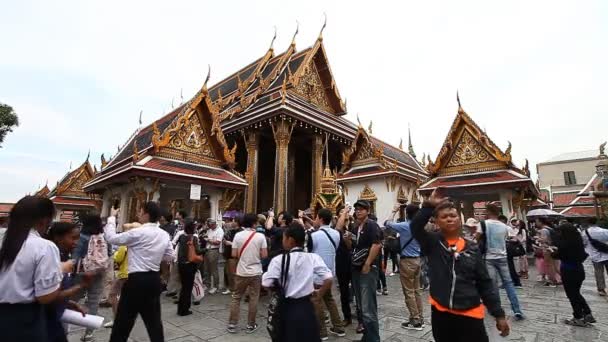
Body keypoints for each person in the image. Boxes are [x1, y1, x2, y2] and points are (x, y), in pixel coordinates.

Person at [412, 189, 509, 341]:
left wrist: (499, 314)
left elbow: (485, 283)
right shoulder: (433, 243)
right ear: (436, 222)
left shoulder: (472, 247)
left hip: (470, 313)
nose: (449, 219)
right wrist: (428, 206)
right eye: (444, 217)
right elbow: (415, 227)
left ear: (460, 219)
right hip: (441, 314)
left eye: (453, 215)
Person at [104, 202, 174, 342]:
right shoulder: (164, 235)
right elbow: (170, 256)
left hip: (137, 280)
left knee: (123, 322)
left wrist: (112, 219)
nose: (138, 214)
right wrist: (154, 256)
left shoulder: (138, 232)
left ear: (146, 214)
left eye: (140, 211)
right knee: (154, 322)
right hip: (154, 279)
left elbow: (111, 238)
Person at [0, 196, 63, 342]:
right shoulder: (44, 247)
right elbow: (45, 296)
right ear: (44, 220)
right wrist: (61, 272)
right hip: (23, 321)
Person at [262, 223, 334, 342]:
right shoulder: (313, 257)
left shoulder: (279, 260)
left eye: (284, 238)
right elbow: (328, 278)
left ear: (290, 240)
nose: (283, 241)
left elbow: (266, 283)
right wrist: (320, 293)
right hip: (306, 306)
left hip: (286, 306)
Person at [477, 204, 524, 320]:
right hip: (503, 257)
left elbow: (476, 239)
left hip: (489, 258)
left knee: (493, 286)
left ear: (488, 212)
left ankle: (497, 309)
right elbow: (514, 238)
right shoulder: (504, 226)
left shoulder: (483, 224)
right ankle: (517, 310)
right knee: (509, 284)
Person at [46, 222, 91, 342]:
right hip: (47, 322)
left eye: (78, 238)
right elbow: (52, 296)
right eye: (73, 238)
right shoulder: (52, 260)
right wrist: (81, 286)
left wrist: (70, 303)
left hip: (54, 318)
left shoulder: (64, 256)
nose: (76, 243)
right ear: (58, 237)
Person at [345, 200, 382, 342]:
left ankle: (373, 339)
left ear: (368, 211)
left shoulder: (371, 225)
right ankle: (367, 336)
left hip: (367, 269)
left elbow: (377, 244)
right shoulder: (356, 228)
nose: (358, 211)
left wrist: (367, 263)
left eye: (361, 209)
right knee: (361, 304)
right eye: (356, 209)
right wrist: (347, 239)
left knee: (368, 307)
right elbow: (352, 247)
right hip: (356, 268)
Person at [384, 203, 424, 330]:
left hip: (407, 262)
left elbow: (387, 223)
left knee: (409, 292)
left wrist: (394, 210)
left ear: (407, 214)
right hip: (418, 260)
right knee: (417, 291)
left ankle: (416, 320)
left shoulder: (405, 225)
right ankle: (419, 318)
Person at [308, 208, 346, 339]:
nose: (315, 220)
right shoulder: (336, 234)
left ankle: (321, 332)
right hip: (330, 272)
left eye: (317, 218)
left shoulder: (314, 236)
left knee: (316, 300)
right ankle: (339, 327)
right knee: (329, 299)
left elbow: (309, 253)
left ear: (321, 219)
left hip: (317, 274)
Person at [227, 213, 268, 334]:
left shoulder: (238, 236)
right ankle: (250, 325)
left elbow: (234, 254)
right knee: (254, 298)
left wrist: (243, 255)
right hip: (255, 272)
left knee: (236, 297)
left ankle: (232, 324)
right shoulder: (260, 236)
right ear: (255, 223)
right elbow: (264, 255)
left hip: (241, 271)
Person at [72, 212, 109, 342]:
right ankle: (89, 333)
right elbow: (108, 255)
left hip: (82, 273)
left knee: (71, 300)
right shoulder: (103, 237)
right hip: (98, 273)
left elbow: (75, 257)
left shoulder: (81, 237)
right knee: (93, 302)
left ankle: (62, 325)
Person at [554, 223, 595, 326]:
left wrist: (552, 251)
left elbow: (557, 255)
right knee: (576, 293)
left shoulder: (564, 244)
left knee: (572, 295)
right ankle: (587, 313)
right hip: (579, 270)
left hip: (568, 272)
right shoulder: (578, 242)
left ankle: (578, 317)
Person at [103, 223, 131, 328]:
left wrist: (114, 254)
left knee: (112, 294)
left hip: (123, 274)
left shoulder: (124, 245)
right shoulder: (138, 244)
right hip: (132, 273)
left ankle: (117, 318)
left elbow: (118, 258)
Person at [176, 219, 203, 316]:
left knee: (184, 287)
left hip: (181, 264)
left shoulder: (181, 237)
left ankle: (180, 308)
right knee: (188, 288)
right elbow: (198, 251)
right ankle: (184, 309)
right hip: (189, 265)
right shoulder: (193, 238)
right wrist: (204, 250)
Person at [334, 206, 354, 327]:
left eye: (345, 212)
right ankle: (347, 316)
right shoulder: (336, 230)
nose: (344, 213)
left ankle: (361, 318)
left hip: (354, 262)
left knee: (358, 290)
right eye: (341, 212)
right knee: (344, 291)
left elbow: (353, 246)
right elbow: (338, 228)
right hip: (341, 263)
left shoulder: (354, 226)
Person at [582, 217, 608, 296]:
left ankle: (601, 289)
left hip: (594, 255)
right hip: (606, 253)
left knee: (599, 272)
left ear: (588, 223)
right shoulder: (605, 231)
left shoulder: (585, 232)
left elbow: (584, 243)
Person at [536, 216, 562, 286]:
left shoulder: (544, 230)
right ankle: (559, 279)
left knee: (549, 265)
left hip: (547, 249)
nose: (536, 223)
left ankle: (552, 280)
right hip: (553, 248)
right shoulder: (550, 228)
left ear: (541, 222)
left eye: (537, 221)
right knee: (554, 265)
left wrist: (538, 238)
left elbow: (544, 240)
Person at [203, 218, 223, 294]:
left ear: (214, 224)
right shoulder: (209, 230)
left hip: (214, 250)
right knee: (206, 268)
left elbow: (218, 242)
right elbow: (205, 236)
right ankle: (207, 284)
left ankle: (216, 286)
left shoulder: (219, 230)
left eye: (210, 225)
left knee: (214, 269)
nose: (209, 227)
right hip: (207, 250)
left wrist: (208, 240)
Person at [222, 221, 242, 295]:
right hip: (228, 255)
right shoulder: (229, 232)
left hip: (233, 255)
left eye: (234, 221)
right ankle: (230, 288)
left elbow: (239, 244)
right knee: (228, 273)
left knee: (233, 273)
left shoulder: (239, 232)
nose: (232, 222)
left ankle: (235, 289)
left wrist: (229, 243)